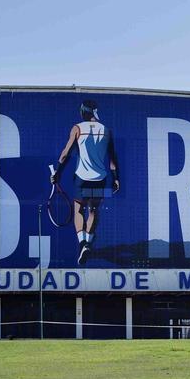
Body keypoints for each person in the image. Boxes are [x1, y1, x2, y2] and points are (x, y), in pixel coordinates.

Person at [50, 99, 120, 265]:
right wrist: (116, 178)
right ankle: (88, 243)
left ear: (83, 112)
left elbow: (65, 154)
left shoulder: (77, 129)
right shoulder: (106, 130)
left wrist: (58, 173)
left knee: (79, 209)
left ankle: (83, 243)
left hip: (82, 179)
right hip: (100, 180)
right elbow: (112, 159)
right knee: (94, 210)